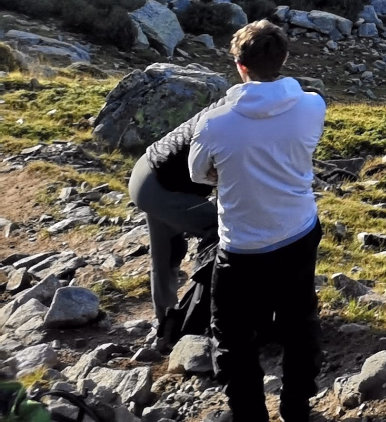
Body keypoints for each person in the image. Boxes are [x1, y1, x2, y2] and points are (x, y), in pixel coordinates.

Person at [188, 21, 327, 422]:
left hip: (244, 245)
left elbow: (199, 173)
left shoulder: (214, 123)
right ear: (282, 60)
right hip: (299, 230)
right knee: (299, 320)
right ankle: (296, 407)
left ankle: (250, 415)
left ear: (239, 65)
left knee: (232, 336)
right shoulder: (312, 105)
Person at [129, 110, 219, 325]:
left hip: (148, 173)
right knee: (222, 230)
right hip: (160, 187)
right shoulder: (235, 121)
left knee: (165, 255)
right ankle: (203, 306)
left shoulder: (223, 108)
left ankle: (166, 324)